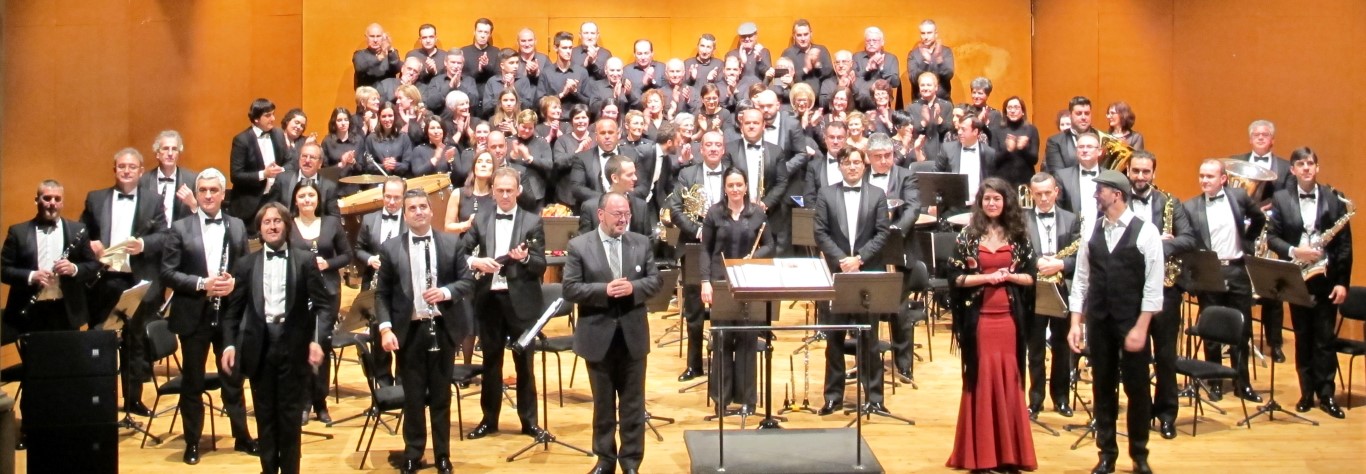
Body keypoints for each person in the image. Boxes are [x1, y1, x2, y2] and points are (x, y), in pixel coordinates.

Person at [220, 202, 331, 474]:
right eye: (267, 222)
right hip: (259, 348)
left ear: (286, 225)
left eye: (277, 221)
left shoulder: (304, 260)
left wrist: (317, 340)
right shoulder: (246, 264)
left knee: (290, 419)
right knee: (265, 417)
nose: (272, 226)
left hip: (294, 348)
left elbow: (323, 306)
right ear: (259, 229)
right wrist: (229, 344)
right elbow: (232, 312)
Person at [1066, 170, 1163, 474]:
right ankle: (1107, 453)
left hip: (1132, 321)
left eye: (1101, 190)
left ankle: (1139, 454)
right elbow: (1081, 280)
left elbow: (1153, 286)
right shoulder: (1091, 231)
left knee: (1137, 389)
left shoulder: (1146, 232)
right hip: (1099, 321)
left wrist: (1141, 327)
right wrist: (1076, 323)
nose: (1096, 195)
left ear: (1117, 194)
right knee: (1102, 387)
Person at [159, 168, 255, 464]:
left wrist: (233, 283)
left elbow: (245, 268)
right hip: (194, 314)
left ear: (223, 194)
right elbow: (167, 272)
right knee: (193, 382)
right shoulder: (180, 228)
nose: (209, 195)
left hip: (227, 314)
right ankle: (192, 442)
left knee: (232, 379)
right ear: (196, 194)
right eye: (203, 190)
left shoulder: (236, 225)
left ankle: (242, 437)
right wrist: (202, 284)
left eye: (214, 190)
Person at [376, 189, 474, 474]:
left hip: (442, 328)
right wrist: (385, 329)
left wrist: (445, 292)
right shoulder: (391, 248)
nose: (418, 212)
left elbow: (466, 282)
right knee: (414, 397)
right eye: (412, 208)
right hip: (409, 331)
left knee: (441, 397)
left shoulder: (451, 242)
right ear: (404, 214)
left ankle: (442, 454)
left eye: (423, 207)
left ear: (431, 211)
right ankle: (413, 453)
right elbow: (382, 294)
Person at [563, 191, 662, 474]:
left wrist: (634, 287)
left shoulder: (641, 243)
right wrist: (604, 290)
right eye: (617, 214)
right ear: (600, 215)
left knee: (633, 405)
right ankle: (605, 460)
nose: (623, 219)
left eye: (626, 214)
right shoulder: (579, 246)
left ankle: (631, 462)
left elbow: (655, 281)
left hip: (632, 336)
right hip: (597, 337)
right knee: (603, 405)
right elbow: (570, 288)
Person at [945, 177, 1038, 473]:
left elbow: (1031, 276)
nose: (992, 203)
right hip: (980, 320)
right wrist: (987, 278)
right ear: (980, 203)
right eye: (987, 199)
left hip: (1009, 321)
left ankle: (1010, 456)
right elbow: (955, 278)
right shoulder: (968, 236)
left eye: (997, 198)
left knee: (1010, 380)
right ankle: (980, 457)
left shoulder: (1019, 236)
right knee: (982, 380)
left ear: (1006, 201)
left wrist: (1008, 277)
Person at [80, 149, 167, 417]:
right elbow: (81, 233)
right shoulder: (96, 198)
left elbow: (164, 236)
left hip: (136, 280)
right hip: (104, 279)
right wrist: (90, 244)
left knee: (135, 340)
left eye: (132, 167)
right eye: (121, 166)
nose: (126, 171)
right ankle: (99, 401)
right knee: (100, 340)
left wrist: (143, 244)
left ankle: (132, 400)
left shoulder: (153, 200)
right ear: (114, 169)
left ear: (141, 171)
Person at [462, 167, 548, 440]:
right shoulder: (481, 219)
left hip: (521, 301)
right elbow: (460, 252)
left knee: (525, 365)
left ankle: (529, 422)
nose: (505, 195)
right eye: (500, 190)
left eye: (510, 190)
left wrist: (525, 258)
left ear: (519, 191)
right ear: (492, 192)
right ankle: (489, 420)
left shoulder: (532, 221)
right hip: (489, 300)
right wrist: (476, 262)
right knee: (491, 362)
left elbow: (540, 265)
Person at [1267, 147, 1352, 419]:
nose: (1306, 168)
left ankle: (1327, 395)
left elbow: (1344, 245)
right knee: (1302, 337)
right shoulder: (1281, 199)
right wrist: (1295, 251)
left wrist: (1342, 282)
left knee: (1324, 339)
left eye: (1310, 163)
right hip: (1298, 276)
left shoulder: (1334, 198)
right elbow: (1272, 237)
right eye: (1300, 164)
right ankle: (1306, 393)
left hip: (1326, 278)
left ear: (1317, 167)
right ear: (1292, 170)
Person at [1124, 151, 1199, 439]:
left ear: (1154, 173)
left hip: (1166, 289)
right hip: (1132, 290)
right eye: (1136, 171)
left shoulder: (1170, 202)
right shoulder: (1119, 202)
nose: (1140, 176)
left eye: (1146, 171)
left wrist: (1158, 246)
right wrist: (1152, 241)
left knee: (1166, 356)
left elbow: (1188, 238)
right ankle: (1141, 414)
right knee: (1137, 357)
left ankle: (1167, 414)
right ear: (1128, 171)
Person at [813, 147, 892, 415]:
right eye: (847, 162)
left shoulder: (877, 195)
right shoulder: (826, 194)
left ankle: (874, 398)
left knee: (869, 337)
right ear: (840, 166)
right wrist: (842, 261)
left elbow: (882, 233)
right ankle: (833, 396)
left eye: (857, 162)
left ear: (864, 166)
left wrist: (859, 259)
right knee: (834, 337)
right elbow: (820, 233)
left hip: (866, 273)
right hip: (838, 274)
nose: (852, 167)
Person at [1183, 159, 1265, 403]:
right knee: (1211, 330)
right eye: (1202, 175)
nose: (1204, 180)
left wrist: (1248, 242)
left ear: (1223, 179)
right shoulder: (1191, 206)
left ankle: (1243, 383)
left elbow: (1259, 218)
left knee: (1242, 329)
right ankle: (1214, 381)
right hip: (1210, 271)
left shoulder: (1239, 197)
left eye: (1210, 176)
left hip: (1237, 270)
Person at [698, 168, 774, 414]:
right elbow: (705, 250)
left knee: (747, 340)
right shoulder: (714, 213)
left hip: (748, 283)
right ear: (725, 188)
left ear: (746, 186)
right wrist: (705, 281)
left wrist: (754, 258)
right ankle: (721, 399)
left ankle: (747, 399)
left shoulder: (757, 214)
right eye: (730, 185)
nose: (735, 189)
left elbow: (770, 245)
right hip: (720, 283)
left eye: (739, 185)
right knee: (722, 340)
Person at [1229, 119, 1294, 362]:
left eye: (1265, 134)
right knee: (1240, 289)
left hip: (1270, 233)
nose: (1260, 137)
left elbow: (1287, 197)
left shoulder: (1285, 167)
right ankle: (1238, 339)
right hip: (1242, 234)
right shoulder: (1235, 162)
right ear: (1250, 138)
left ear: (1272, 139)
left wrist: (1262, 208)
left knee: (1272, 291)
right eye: (1256, 134)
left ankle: (1274, 343)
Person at [2, 179, 99, 340]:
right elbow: (4, 271)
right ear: (37, 200)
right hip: (30, 312)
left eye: (57, 199)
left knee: (68, 355)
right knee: (35, 356)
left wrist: (74, 269)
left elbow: (93, 266)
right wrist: (31, 276)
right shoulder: (18, 232)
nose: (52, 203)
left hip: (66, 311)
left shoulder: (78, 230)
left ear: (62, 202)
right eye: (47, 198)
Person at [288, 182, 352, 425]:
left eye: (311, 195)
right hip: (298, 293)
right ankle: (304, 402)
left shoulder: (331, 223)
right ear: (295, 200)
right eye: (302, 196)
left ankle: (321, 402)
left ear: (318, 199)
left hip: (328, 292)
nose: (307, 200)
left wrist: (328, 264)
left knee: (322, 344)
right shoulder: (288, 224)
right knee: (301, 346)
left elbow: (347, 255)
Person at [1021, 172, 1081, 420]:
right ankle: (1036, 400)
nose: (1044, 198)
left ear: (1056, 192)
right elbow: (1017, 253)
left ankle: (1061, 398)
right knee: (1035, 348)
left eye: (1048, 193)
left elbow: (1079, 256)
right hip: (1033, 290)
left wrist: (1061, 264)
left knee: (1061, 346)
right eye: (1039, 194)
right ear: (1031, 194)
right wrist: (1036, 263)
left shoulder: (1071, 219)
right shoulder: (1021, 220)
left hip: (1061, 290)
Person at [672, 131, 729, 381]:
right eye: (709, 145)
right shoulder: (687, 174)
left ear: (723, 149)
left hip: (725, 248)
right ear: (701, 149)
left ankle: (722, 362)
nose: (713, 148)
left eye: (718, 145)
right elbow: (675, 209)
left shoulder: (733, 174)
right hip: (695, 247)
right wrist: (697, 230)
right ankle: (694, 364)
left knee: (723, 306)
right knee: (694, 309)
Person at [354, 177, 408, 386]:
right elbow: (358, 249)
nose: (392, 202)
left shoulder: (410, 220)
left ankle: (402, 388)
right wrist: (370, 259)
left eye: (396, 198)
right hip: (375, 288)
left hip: (402, 287)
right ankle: (383, 387)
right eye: (388, 197)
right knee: (378, 339)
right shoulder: (369, 219)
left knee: (402, 337)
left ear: (403, 198)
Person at [228, 98, 289, 226]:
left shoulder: (278, 133)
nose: (273, 118)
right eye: (268, 115)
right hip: (251, 204)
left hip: (275, 199)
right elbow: (236, 175)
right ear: (256, 119)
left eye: (273, 114)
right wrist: (264, 174)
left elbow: (289, 160)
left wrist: (281, 169)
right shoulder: (241, 140)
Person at [580, 156, 654, 236]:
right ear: (615, 178)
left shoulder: (641, 207)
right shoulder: (590, 207)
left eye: (634, 173)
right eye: (629, 175)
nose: (635, 178)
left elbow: (648, 240)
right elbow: (584, 241)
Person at [141, 130, 200, 224]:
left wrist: (193, 204)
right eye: (165, 148)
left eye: (174, 149)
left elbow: (206, 218)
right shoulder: (143, 181)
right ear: (157, 153)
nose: (170, 153)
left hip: (181, 233)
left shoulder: (193, 180)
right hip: (153, 232)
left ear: (178, 153)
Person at [936, 116, 998, 207]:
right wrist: (935, 203)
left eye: (963, 129)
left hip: (979, 206)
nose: (959, 132)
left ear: (975, 132)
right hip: (953, 206)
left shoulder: (989, 153)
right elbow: (936, 176)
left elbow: (993, 182)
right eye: (959, 128)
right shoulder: (947, 149)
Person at [269, 143, 341, 217]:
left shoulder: (330, 187)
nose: (307, 160)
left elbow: (334, 216)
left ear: (320, 163)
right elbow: (270, 206)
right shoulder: (282, 179)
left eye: (312, 157)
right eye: (304, 156)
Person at [1053, 132, 1104, 219]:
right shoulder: (1062, 176)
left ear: (1099, 151)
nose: (1084, 150)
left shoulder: (1110, 176)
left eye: (1089, 147)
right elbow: (1058, 211)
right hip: (1073, 227)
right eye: (1081, 147)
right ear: (1076, 151)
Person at [906, 72, 955, 162]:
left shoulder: (947, 106)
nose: (925, 88)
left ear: (936, 87)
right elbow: (910, 133)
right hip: (919, 155)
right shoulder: (911, 108)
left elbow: (951, 131)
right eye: (922, 85)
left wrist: (939, 120)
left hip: (942, 153)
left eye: (929, 85)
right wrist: (924, 123)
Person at [907, 19, 956, 101]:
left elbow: (949, 75)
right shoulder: (913, 54)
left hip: (943, 101)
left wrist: (939, 60)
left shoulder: (946, 51)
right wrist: (925, 63)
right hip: (920, 103)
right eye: (923, 33)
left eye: (929, 33)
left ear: (936, 34)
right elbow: (913, 79)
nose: (926, 37)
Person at [852, 27, 900, 110]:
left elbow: (895, 82)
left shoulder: (891, 58)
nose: (871, 43)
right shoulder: (856, 57)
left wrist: (882, 68)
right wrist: (867, 69)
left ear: (882, 42)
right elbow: (854, 82)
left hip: (882, 105)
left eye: (874, 41)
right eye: (868, 41)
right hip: (860, 104)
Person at [781, 19, 833, 95]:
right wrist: (805, 69)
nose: (803, 39)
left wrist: (817, 65)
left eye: (806, 34)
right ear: (794, 36)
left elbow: (831, 75)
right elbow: (779, 82)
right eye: (799, 35)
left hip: (820, 100)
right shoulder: (786, 53)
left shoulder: (822, 50)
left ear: (811, 34)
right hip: (795, 99)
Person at [997, 96, 1040, 188]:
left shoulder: (1031, 130)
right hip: (1002, 183)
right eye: (1009, 108)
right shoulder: (997, 130)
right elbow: (993, 160)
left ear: (1023, 111)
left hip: (1025, 182)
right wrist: (1007, 150)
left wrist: (1023, 149)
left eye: (1016, 107)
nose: (1013, 111)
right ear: (1005, 111)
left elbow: (1034, 160)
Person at [1043, 96, 1094, 173]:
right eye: (1079, 113)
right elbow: (1058, 174)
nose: (1083, 117)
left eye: (1087, 113)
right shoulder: (1055, 141)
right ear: (1070, 116)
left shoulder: (1102, 138)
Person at [353, 23, 399, 89]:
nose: (375, 40)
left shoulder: (391, 53)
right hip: (367, 94)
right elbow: (360, 68)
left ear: (383, 37)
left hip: (388, 94)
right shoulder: (359, 55)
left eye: (378, 36)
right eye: (372, 36)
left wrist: (390, 48)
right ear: (366, 37)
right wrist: (380, 57)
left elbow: (397, 68)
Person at [461, 18, 499, 88]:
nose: (482, 35)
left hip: (490, 91)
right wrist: (479, 70)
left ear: (490, 34)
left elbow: (498, 78)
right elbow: (462, 78)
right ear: (474, 32)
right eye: (480, 31)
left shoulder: (497, 52)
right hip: (469, 91)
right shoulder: (463, 52)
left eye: (486, 32)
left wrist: (486, 67)